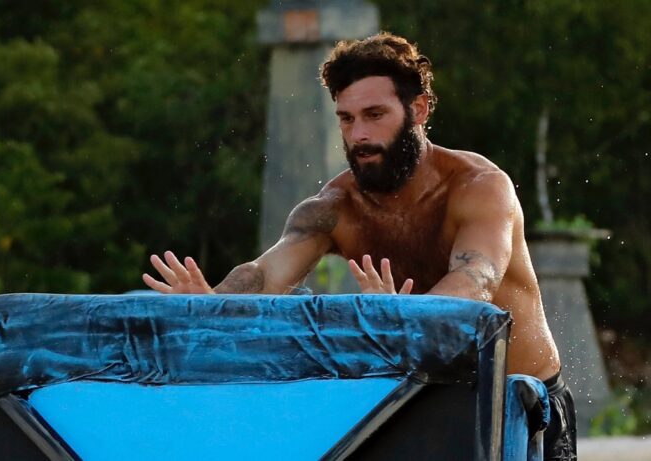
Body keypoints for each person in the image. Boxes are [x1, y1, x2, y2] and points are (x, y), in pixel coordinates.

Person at [142, 33, 576, 459]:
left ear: (419, 109)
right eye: (347, 119)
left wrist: (406, 317)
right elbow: (265, 273)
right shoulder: (333, 207)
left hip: (522, 403)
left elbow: (475, 282)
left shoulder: (480, 187)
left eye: (374, 115)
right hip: (418, 401)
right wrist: (212, 306)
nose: (359, 134)